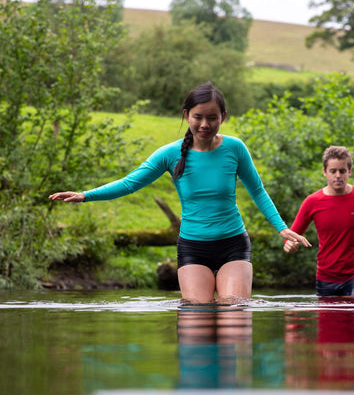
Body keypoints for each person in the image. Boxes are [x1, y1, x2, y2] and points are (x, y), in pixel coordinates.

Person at [50, 81, 310, 303]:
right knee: (197, 323)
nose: (205, 124)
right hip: (193, 248)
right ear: (187, 115)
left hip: (233, 245)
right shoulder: (170, 154)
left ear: (224, 117)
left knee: (234, 313)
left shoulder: (235, 148)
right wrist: (85, 195)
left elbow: (258, 190)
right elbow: (130, 183)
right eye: (199, 117)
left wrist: (281, 227)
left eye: (212, 118)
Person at [283, 145, 354, 297]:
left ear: (350, 172)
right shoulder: (312, 202)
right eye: (333, 171)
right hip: (325, 278)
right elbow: (292, 234)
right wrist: (289, 244)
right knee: (330, 319)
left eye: (342, 171)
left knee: (353, 310)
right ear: (324, 172)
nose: (338, 175)